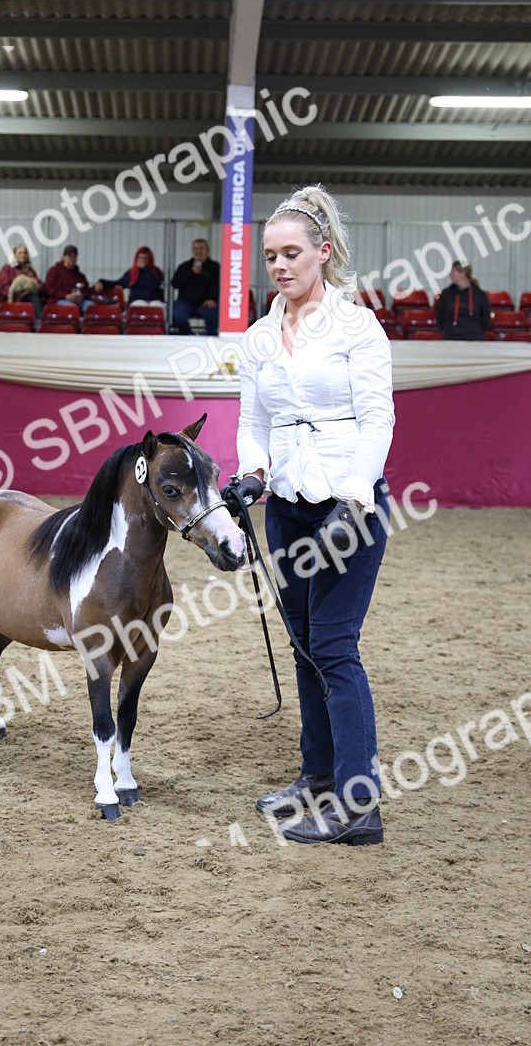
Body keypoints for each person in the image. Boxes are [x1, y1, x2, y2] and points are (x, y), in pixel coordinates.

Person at [225, 184, 395, 846]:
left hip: (347, 505)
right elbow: (253, 420)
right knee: (303, 647)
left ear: (323, 253)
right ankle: (318, 780)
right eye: (270, 256)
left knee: (332, 644)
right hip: (287, 509)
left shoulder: (358, 326)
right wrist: (252, 474)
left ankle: (358, 807)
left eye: (291, 252)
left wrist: (355, 497)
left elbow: (378, 418)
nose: (280, 266)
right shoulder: (262, 335)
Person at [171, 238, 220, 335]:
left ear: (207, 251)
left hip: (206, 302)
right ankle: (187, 335)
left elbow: (218, 284)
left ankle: (212, 338)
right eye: (195, 248)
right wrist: (190, 273)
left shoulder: (214, 267)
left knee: (213, 313)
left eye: (201, 248)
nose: (198, 251)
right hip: (186, 302)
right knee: (177, 315)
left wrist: (211, 298)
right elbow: (175, 283)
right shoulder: (184, 266)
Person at [94, 246, 166, 308]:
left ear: (150, 259)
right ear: (136, 259)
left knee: (157, 307)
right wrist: (102, 282)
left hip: (155, 300)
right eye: (140, 257)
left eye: (146, 258)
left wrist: (146, 269)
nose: (143, 260)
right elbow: (120, 283)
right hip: (137, 300)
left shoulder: (157, 272)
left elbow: (154, 285)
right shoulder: (132, 273)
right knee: (139, 306)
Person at [436, 262, 491, 341]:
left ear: (462, 274)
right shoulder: (446, 294)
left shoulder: (480, 295)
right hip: (451, 337)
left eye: (453, 272)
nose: (450, 275)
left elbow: (486, 319)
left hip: (474, 338)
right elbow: (440, 315)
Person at [0, 244, 44, 318]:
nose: (23, 255)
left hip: (28, 296)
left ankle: (38, 322)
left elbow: (39, 284)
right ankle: (38, 322)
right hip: (13, 298)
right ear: (14, 255)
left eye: (25, 253)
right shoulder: (7, 268)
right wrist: (19, 293)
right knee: (34, 296)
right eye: (20, 253)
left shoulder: (30, 270)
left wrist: (34, 288)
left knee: (37, 295)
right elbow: (2, 286)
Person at [43, 245, 94, 312]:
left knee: (91, 307)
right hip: (59, 300)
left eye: (74, 257)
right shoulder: (54, 271)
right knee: (71, 308)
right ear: (64, 257)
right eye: (70, 257)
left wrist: (82, 296)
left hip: (78, 301)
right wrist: (65, 295)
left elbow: (87, 290)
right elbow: (48, 288)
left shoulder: (80, 276)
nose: (72, 260)